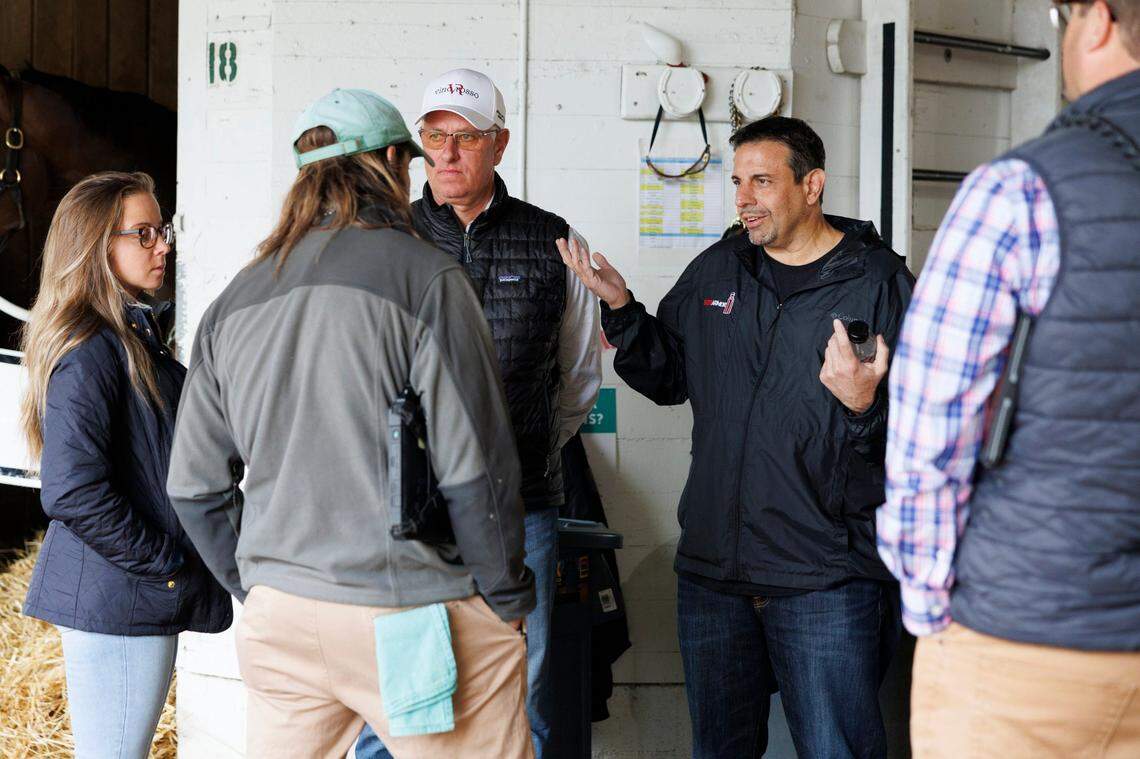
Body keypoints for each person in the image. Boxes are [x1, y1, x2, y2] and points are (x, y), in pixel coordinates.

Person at [166, 89, 535, 758]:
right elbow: (475, 469)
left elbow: (193, 487)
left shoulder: (235, 299)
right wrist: (506, 596)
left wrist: (263, 583)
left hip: (281, 622)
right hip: (405, 614)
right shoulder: (426, 279)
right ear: (392, 162)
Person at [561, 116, 914, 758]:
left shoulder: (880, 283)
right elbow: (670, 377)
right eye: (737, 183)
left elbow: (925, 437)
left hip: (825, 576)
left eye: (761, 181)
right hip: (714, 574)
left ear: (812, 185)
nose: (744, 199)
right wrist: (622, 309)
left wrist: (864, 405)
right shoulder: (720, 269)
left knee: (836, 750)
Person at [879, 1, 1140, 754]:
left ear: (1097, 19)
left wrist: (933, 610)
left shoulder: (1021, 189)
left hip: (1028, 640)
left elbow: (931, 427)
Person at [362, 67, 598, 759]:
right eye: (435, 137)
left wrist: (521, 448)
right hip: (408, 512)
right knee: (396, 700)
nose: (447, 153)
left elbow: (578, 379)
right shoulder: (385, 239)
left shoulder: (554, 241)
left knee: (524, 691)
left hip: (521, 507)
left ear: (499, 143)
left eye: (465, 137)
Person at [18, 171, 232, 759]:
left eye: (162, 231)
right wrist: (166, 564)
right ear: (96, 246)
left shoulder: (133, 342)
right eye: (144, 234)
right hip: (120, 599)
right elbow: (72, 491)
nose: (163, 246)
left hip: (125, 596)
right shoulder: (93, 349)